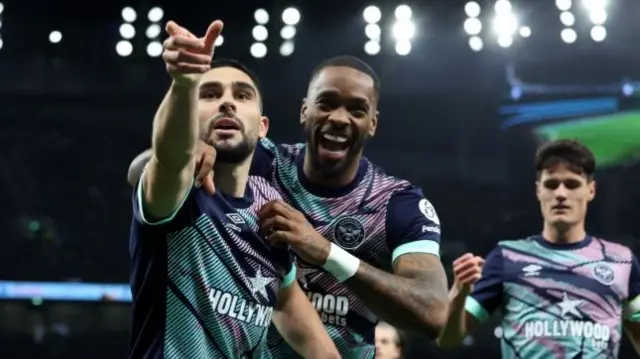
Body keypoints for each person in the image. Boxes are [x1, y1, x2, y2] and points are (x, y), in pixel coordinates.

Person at [128, 55, 449, 358]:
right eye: (326, 103)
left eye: (356, 109)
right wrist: (188, 153)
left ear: (373, 123)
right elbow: (142, 171)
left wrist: (325, 252)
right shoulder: (262, 162)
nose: (338, 118)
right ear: (304, 111)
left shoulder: (395, 201)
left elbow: (434, 313)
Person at [129, 20, 338, 359]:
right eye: (209, 95)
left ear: (262, 127)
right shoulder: (182, 195)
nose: (227, 103)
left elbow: (290, 307)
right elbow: (168, 158)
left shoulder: (272, 216)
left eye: (242, 96)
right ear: (190, 119)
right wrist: (183, 84)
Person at [437, 139, 640, 357]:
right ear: (538, 190)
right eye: (551, 184)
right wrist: (459, 294)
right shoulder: (507, 257)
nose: (561, 193)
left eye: (572, 184)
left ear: (591, 190)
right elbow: (447, 339)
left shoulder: (620, 261)